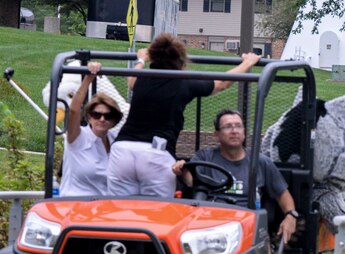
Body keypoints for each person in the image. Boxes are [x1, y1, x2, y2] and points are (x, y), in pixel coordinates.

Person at [107, 33, 260, 197]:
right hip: (156, 153)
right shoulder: (184, 81)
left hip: (122, 150)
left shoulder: (144, 77)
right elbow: (222, 83)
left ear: (154, 57)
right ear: (181, 61)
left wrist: (141, 60)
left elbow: (131, 82)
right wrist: (248, 62)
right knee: (156, 214)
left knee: (119, 211)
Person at [172, 109, 298, 244]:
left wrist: (291, 216)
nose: (234, 131)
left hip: (248, 226)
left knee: (262, 243)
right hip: (211, 225)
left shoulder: (260, 162)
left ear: (244, 132)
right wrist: (183, 170)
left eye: (238, 126)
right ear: (217, 135)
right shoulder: (205, 157)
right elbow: (191, 181)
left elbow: (282, 194)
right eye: (227, 127)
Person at [60, 62, 122, 197]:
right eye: (96, 115)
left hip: (103, 208)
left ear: (114, 119)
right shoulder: (78, 138)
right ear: (89, 117)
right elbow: (74, 111)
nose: (102, 119)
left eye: (108, 116)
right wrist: (88, 78)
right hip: (75, 206)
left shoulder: (114, 140)